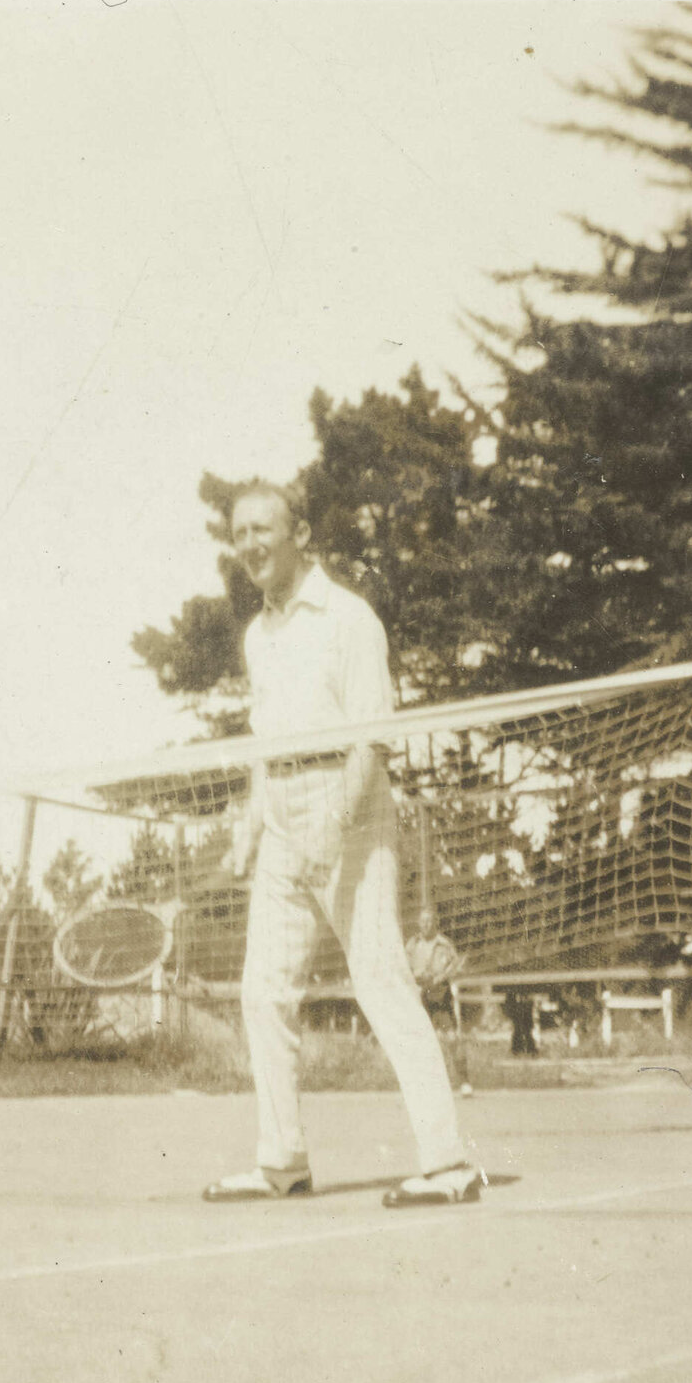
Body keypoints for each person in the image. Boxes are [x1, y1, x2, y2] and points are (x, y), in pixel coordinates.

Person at [202, 483, 481, 1207]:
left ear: (298, 533)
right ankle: (280, 1160)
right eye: (239, 532)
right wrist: (252, 825)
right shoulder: (256, 637)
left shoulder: (350, 620)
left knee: (382, 982)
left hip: (349, 807)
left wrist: (335, 821)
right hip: (284, 821)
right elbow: (268, 746)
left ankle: (448, 1161)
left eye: (263, 528)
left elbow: (371, 737)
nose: (250, 544)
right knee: (263, 993)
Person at [405, 906, 473, 1097]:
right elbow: (403, 968)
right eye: (422, 921)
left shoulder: (444, 944)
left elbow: (456, 966)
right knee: (420, 1042)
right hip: (420, 996)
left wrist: (439, 977)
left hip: (439, 995)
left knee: (451, 1039)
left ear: (436, 923)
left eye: (429, 921)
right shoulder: (412, 944)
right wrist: (415, 978)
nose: (425, 925)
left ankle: (464, 1082)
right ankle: (423, 1085)